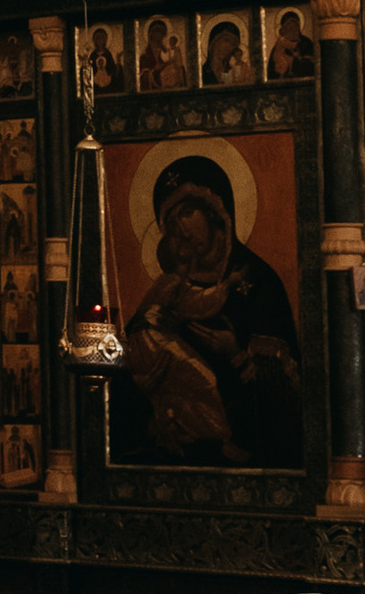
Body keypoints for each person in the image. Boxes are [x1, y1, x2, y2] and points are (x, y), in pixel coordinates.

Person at [110, 152, 302, 468]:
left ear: (215, 211)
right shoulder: (170, 286)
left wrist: (236, 355)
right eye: (172, 222)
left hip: (250, 463)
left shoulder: (259, 282)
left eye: (188, 213)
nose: (182, 229)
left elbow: (284, 400)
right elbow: (129, 373)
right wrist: (149, 398)